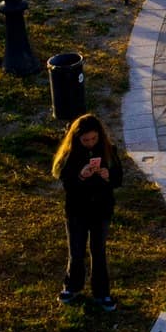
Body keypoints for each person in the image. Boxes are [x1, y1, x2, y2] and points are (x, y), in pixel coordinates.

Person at [55, 113, 124, 308]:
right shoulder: (71, 155)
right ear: (77, 138)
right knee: (76, 250)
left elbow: (118, 178)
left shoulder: (109, 151)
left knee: (98, 251)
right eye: (86, 140)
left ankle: (102, 292)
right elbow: (66, 181)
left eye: (93, 139)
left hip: (101, 209)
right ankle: (72, 286)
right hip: (77, 209)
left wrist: (108, 175)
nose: (90, 143)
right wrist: (81, 176)